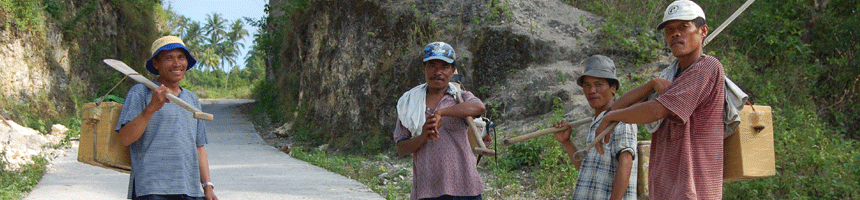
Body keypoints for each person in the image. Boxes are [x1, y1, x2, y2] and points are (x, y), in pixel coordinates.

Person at [595, 0, 725, 199]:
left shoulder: (706, 68)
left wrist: (612, 117)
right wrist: (651, 84)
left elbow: (658, 110)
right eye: (669, 29)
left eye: (684, 26)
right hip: (665, 188)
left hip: (693, 189)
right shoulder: (673, 75)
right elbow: (619, 105)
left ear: (703, 30)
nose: (675, 34)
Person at [115, 35, 218, 200]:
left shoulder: (191, 99)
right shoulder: (140, 92)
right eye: (169, 58)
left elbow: (199, 147)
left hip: (190, 190)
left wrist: (207, 186)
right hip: (151, 190)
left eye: (181, 57)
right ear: (156, 64)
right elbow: (126, 138)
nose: (177, 64)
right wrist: (151, 108)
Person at [393, 41, 486, 200]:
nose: (438, 72)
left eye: (444, 67)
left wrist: (441, 113)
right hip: (428, 190)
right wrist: (423, 136)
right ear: (424, 68)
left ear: (453, 70)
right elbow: (401, 148)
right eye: (432, 65)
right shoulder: (410, 102)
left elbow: (479, 107)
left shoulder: (460, 97)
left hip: (466, 188)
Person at [551, 55, 638, 200]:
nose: (592, 90)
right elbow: (587, 170)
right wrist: (567, 142)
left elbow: (626, 162)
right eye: (587, 85)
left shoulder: (621, 118)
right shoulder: (597, 122)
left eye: (598, 84)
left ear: (613, 88)